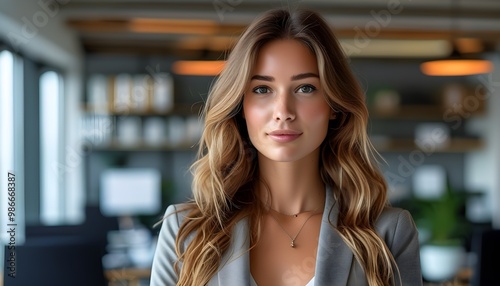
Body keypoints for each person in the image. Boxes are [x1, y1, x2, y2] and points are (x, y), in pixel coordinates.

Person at [151, 8, 422, 286]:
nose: (283, 112)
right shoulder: (185, 232)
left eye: (305, 88)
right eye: (262, 89)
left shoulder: (388, 231)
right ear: (240, 106)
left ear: (334, 106)